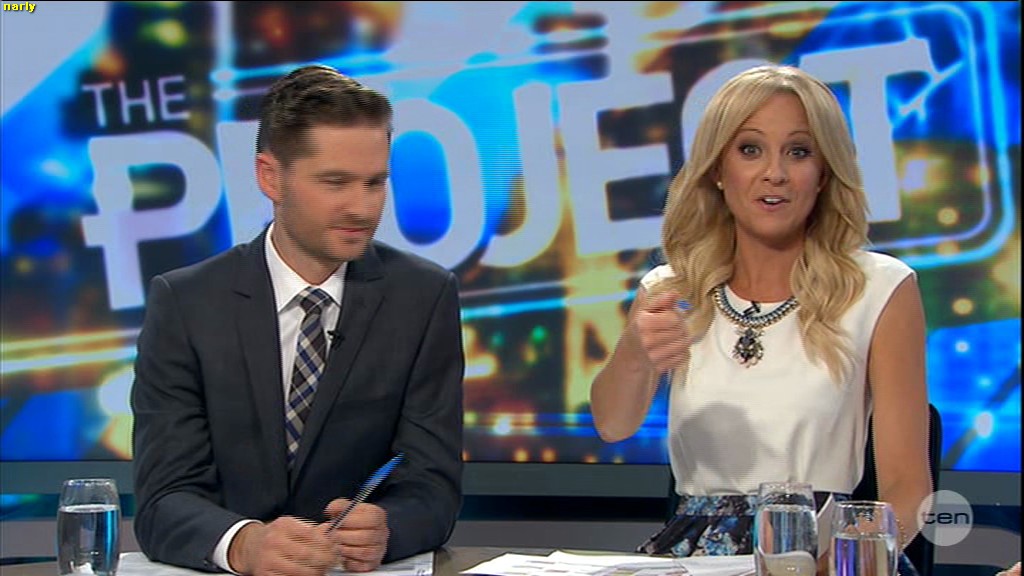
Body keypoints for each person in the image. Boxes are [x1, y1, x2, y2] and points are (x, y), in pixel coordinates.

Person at [590, 65, 931, 574]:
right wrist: (637, 354)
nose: (775, 173)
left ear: (824, 173)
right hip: (696, 556)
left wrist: (828, 565)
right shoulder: (672, 289)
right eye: (750, 149)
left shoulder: (880, 287)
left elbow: (909, 490)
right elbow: (612, 425)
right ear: (718, 169)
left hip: (826, 553)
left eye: (799, 152)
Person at [131, 64, 465, 575]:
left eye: (375, 183)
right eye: (336, 182)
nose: (362, 208)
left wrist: (388, 527)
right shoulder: (186, 303)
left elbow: (433, 486)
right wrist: (245, 545)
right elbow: (163, 498)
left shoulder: (423, 297)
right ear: (271, 177)